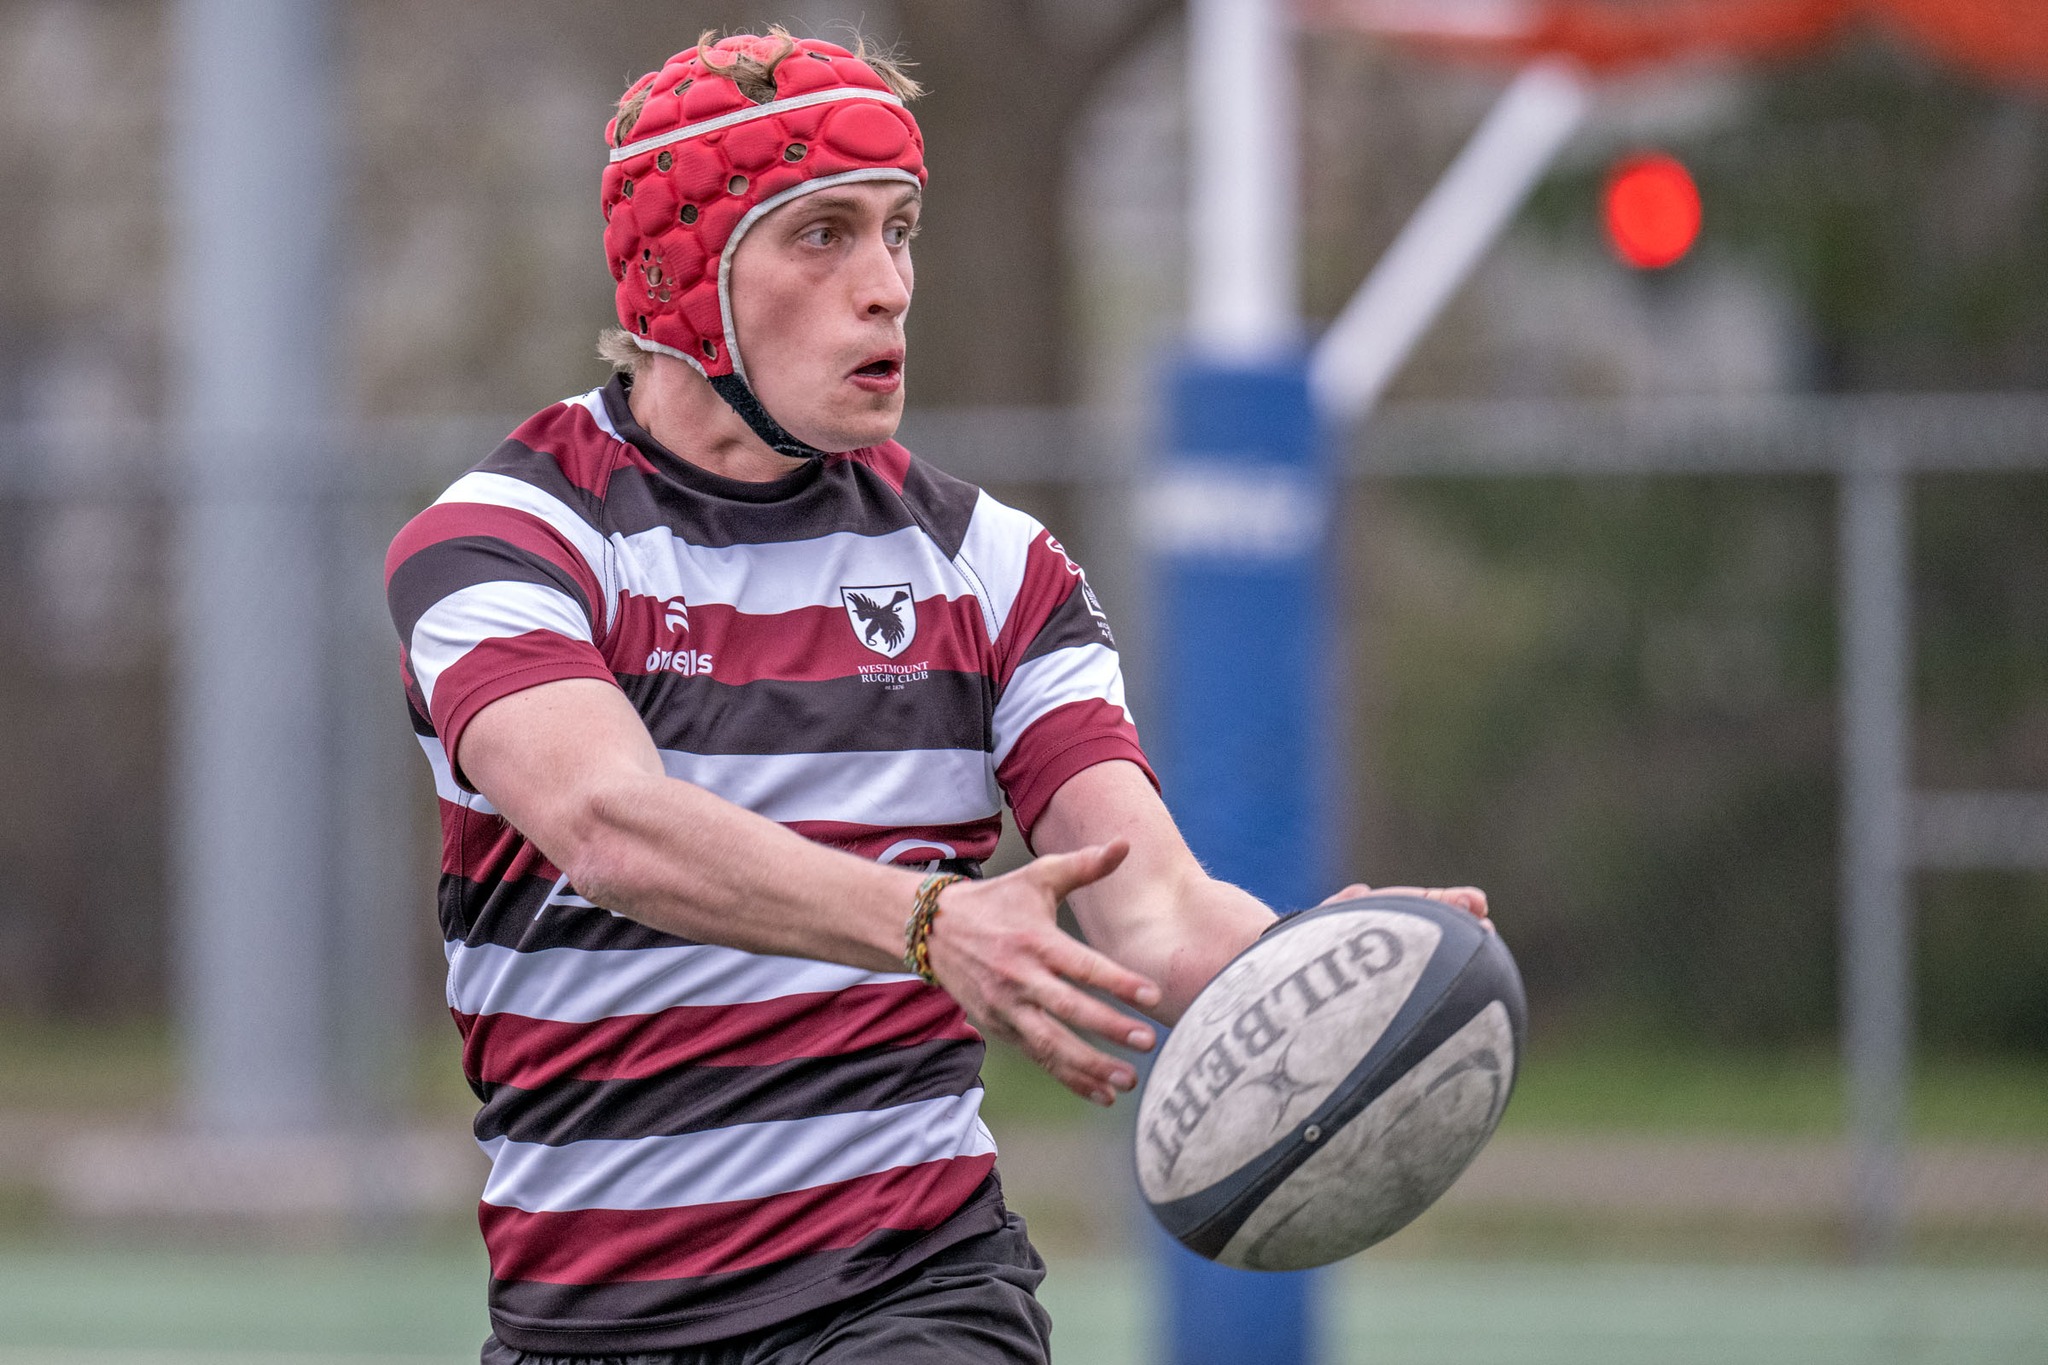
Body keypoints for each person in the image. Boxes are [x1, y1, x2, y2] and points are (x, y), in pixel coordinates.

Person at [385, 27, 1486, 1365]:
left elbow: (1150, 903)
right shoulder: (508, 540)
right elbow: (610, 826)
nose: (887, 288)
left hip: (909, 1291)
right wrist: (930, 921)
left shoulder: (995, 567)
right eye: (825, 236)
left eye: (900, 232)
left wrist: (1316, 968)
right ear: (681, 281)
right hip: (585, 1322)